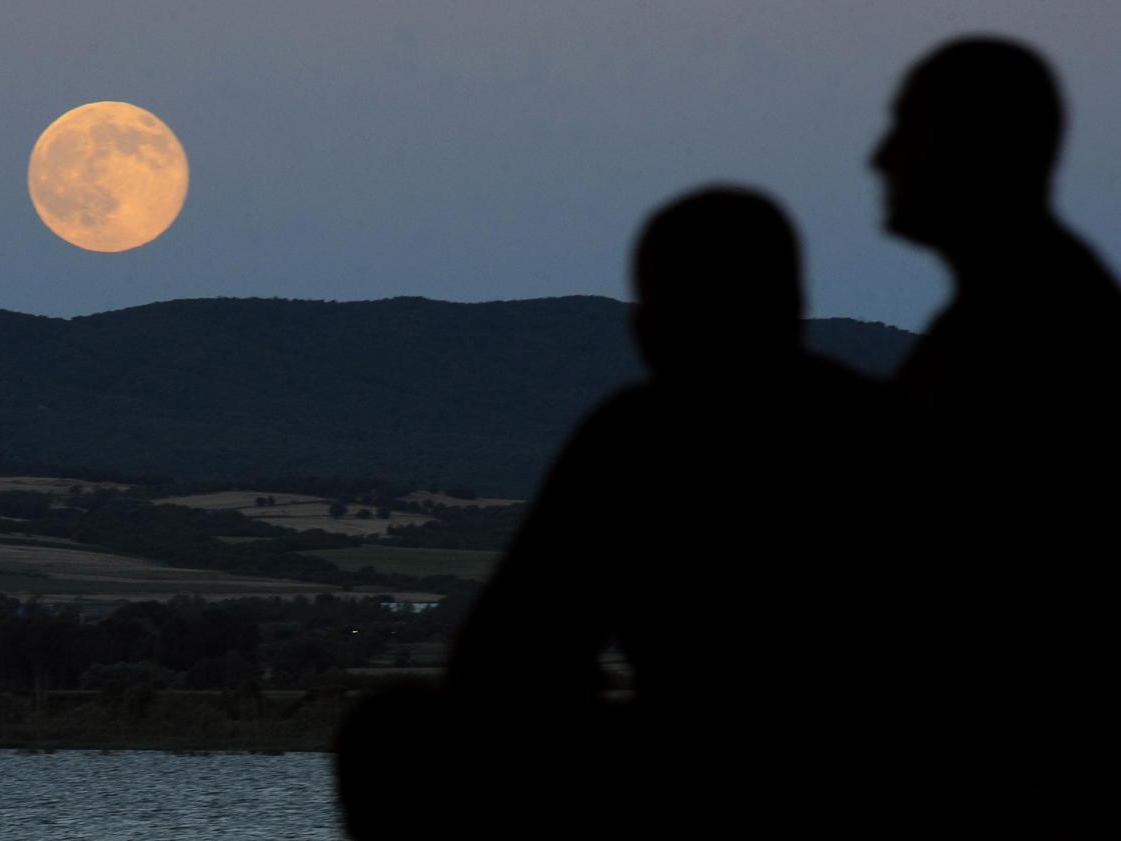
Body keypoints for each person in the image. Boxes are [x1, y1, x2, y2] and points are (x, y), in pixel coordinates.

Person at [338, 187, 920, 839]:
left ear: (650, 327)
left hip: (684, 771)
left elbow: (501, 660)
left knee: (389, 735)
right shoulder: (886, 431)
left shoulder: (635, 439)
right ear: (793, 306)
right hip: (895, 773)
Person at [871, 37, 1120, 837]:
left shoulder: (1025, 332)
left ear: (972, 148)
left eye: (906, 128)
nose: (880, 158)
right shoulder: (1034, 311)